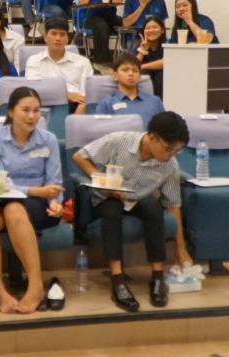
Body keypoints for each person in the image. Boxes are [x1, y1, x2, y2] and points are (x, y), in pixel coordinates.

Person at [72, 111, 192, 312]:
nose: (170, 155)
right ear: (152, 137)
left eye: (176, 151)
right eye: (167, 149)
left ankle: (157, 278)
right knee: (112, 209)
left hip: (137, 199)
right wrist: (101, 178)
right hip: (107, 198)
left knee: (154, 207)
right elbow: (79, 156)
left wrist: (181, 249)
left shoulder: (170, 165)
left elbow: (173, 205)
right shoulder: (119, 141)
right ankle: (117, 281)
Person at [0, 86, 65, 314]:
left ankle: (35, 286)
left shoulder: (48, 140)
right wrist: (35, 190)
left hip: (37, 204)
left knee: (14, 209)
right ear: (11, 111)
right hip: (2, 197)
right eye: (25, 110)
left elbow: (54, 181)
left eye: (36, 110)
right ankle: (0, 290)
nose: (32, 116)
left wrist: (56, 202)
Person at [23, 17, 93, 113]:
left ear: (67, 39)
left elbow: (86, 94)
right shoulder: (34, 60)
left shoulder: (83, 62)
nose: (58, 38)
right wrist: (66, 95)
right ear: (45, 37)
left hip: (74, 107)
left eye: (62, 34)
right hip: (42, 106)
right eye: (54, 33)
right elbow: (33, 91)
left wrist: (80, 110)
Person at [77, 0, 124, 65]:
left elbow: (118, 1)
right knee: (101, 26)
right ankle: (102, 62)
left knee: (126, 23)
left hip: (110, 17)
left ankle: (126, 57)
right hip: (91, 17)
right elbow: (82, 1)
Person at [96, 54, 165, 125]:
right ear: (115, 76)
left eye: (135, 71)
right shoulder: (106, 103)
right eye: (125, 70)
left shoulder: (155, 102)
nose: (131, 73)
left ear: (139, 77)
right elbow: (100, 129)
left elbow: (163, 129)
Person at [135, 16, 166, 97]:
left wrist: (142, 66)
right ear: (143, 31)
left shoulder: (167, 44)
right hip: (146, 75)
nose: (151, 30)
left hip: (161, 77)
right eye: (148, 28)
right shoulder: (139, 45)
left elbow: (166, 62)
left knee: (161, 73)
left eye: (155, 27)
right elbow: (133, 65)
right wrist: (142, 51)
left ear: (162, 30)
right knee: (143, 73)